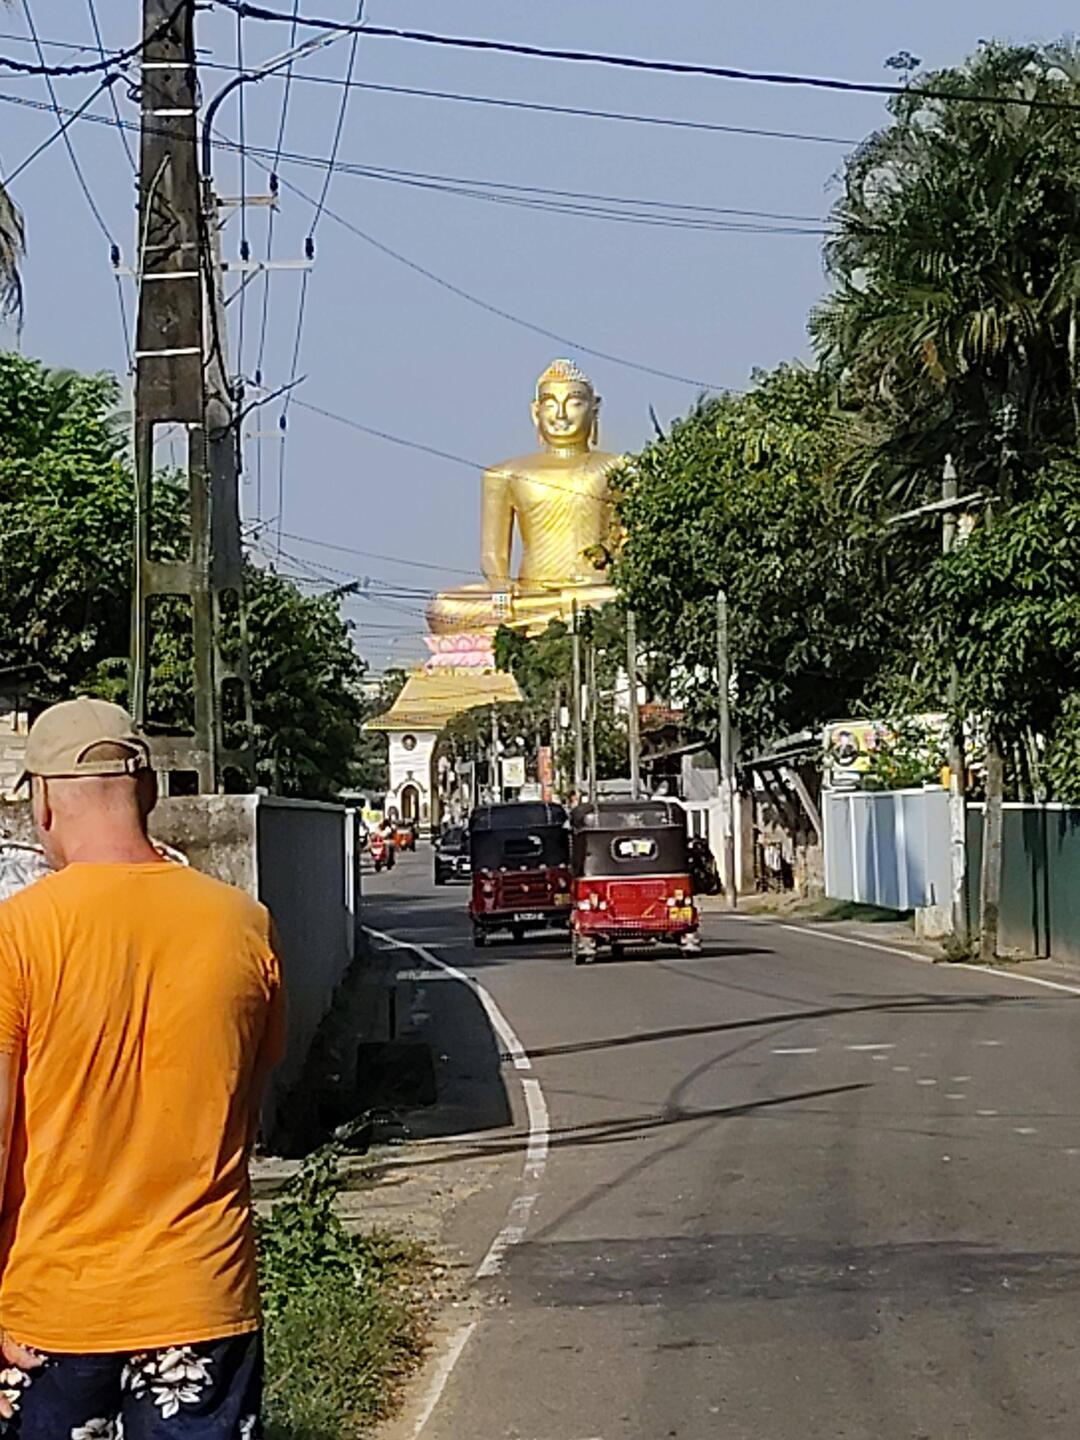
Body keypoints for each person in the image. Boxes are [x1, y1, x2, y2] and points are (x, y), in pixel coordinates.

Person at [0, 697, 285, 1438]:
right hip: (201, 1296)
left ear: (43, 804)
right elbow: (241, 1114)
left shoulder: (17, 936)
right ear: (150, 794)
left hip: (51, 1313)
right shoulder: (243, 925)